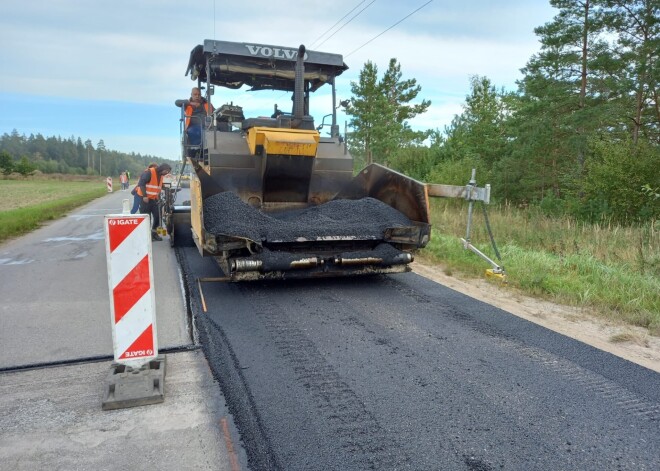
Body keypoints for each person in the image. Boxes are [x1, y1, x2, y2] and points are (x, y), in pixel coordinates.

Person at [136, 162, 171, 241]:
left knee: (158, 216)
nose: (167, 173)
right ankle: (147, 236)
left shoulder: (161, 176)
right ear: (162, 169)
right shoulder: (149, 172)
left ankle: (154, 233)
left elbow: (159, 185)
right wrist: (145, 196)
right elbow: (141, 184)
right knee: (147, 218)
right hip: (145, 199)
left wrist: (167, 189)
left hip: (154, 199)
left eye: (168, 172)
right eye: (166, 171)